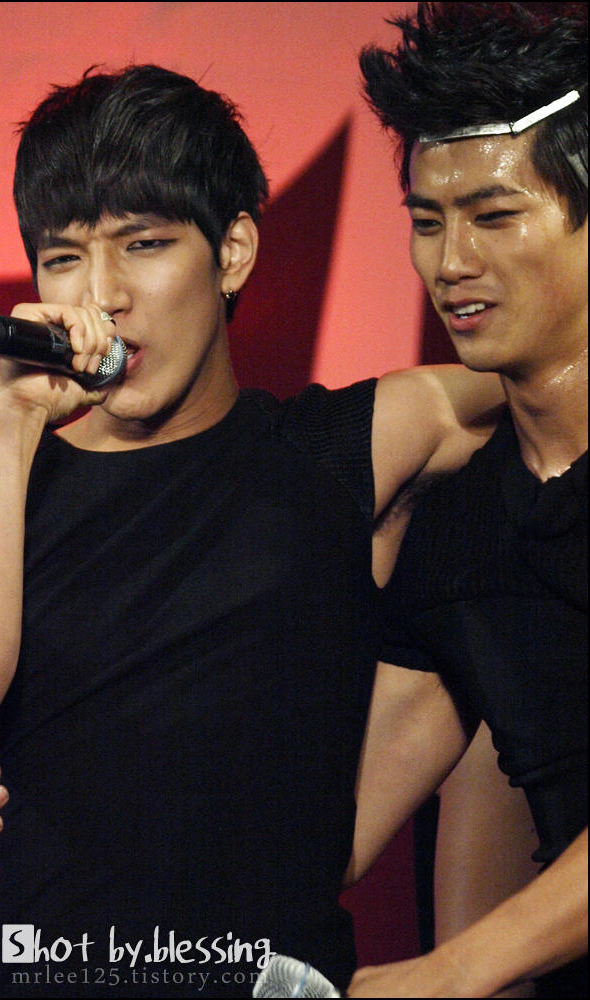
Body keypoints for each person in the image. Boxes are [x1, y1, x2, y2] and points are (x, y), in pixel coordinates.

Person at [0, 65, 502, 997]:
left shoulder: (347, 447)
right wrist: (7, 428)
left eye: (146, 244)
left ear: (233, 251)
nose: (104, 295)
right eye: (64, 258)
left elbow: (552, 382)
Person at [345, 3, 587, 996]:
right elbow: (316, 827)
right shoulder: (461, 524)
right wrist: (40, 816)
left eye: (493, 216)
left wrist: (452, 973)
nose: (451, 265)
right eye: (427, 222)